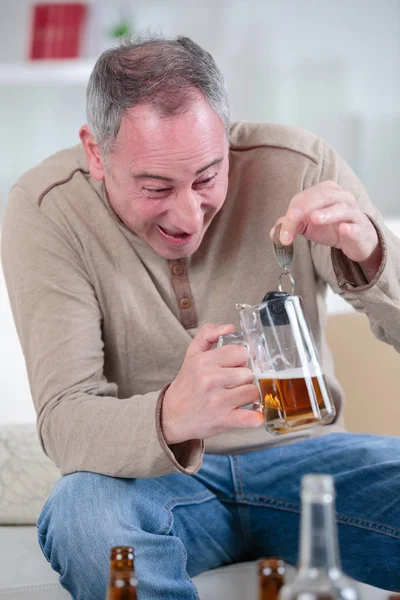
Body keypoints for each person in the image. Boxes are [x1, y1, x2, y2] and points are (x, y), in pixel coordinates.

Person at [1, 34, 400, 599]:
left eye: (208, 178)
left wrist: (373, 256)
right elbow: (65, 421)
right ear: (96, 153)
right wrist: (171, 414)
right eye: (156, 187)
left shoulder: (299, 168)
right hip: (152, 481)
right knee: (84, 517)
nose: (189, 216)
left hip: (310, 461)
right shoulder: (47, 211)